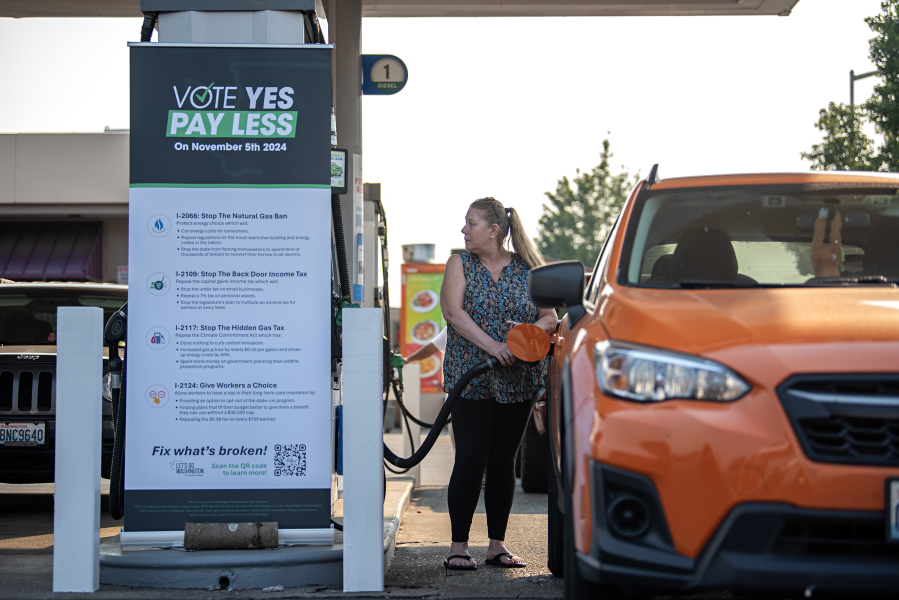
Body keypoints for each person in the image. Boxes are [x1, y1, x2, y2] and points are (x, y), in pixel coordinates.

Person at [440, 197, 557, 570]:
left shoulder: (528, 270)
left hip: (518, 380)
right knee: (470, 458)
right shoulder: (460, 263)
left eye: (470, 223)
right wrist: (493, 346)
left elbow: (550, 319)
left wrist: (523, 337)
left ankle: (496, 546)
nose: (464, 230)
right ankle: (459, 547)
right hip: (470, 379)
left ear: (493, 230)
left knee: (504, 461)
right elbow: (453, 312)